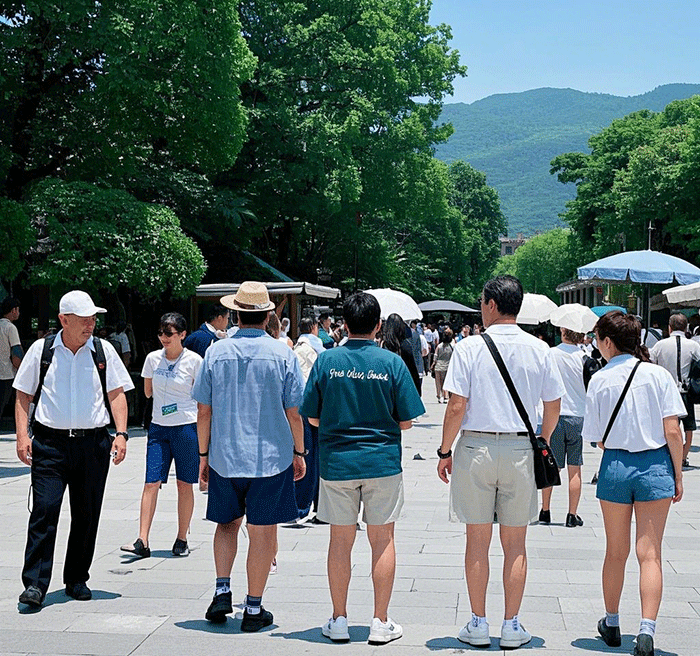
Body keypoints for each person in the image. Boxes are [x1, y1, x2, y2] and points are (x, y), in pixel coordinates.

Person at [437, 276, 564, 649]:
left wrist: (445, 451)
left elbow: (457, 405)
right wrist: (542, 436)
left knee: (477, 541)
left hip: (476, 447)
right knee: (516, 543)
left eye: (481, 301)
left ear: (491, 304)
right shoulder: (540, 348)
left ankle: (478, 623)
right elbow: (553, 405)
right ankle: (511, 625)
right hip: (521, 449)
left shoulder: (470, 347)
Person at [301, 292, 424, 645]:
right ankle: (380, 621)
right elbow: (407, 421)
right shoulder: (391, 363)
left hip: (337, 462)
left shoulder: (327, 362)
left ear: (343, 324)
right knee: (382, 540)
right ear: (378, 325)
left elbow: (310, 415)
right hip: (381, 461)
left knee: (340, 541)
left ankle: (339, 619)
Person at [192, 281, 306, 631]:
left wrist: (203, 455)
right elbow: (294, 412)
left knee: (227, 525)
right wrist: (299, 451)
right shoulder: (283, 353)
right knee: (262, 530)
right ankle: (253, 609)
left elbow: (203, 410)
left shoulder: (215, 352)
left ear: (235, 314)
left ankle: (222, 590)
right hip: (270, 458)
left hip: (225, 455)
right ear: (268, 315)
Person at [13, 290, 133, 608]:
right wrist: (22, 437)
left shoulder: (102, 350)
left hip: (93, 444)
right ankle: (35, 585)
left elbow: (117, 393)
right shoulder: (42, 351)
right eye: (84, 319)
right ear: (64, 320)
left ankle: (77, 578)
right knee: (44, 511)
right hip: (50, 444)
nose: (91, 324)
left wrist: (120, 433)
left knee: (86, 513)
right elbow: (23, 395)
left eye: (94, 318)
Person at [585, 311, 684, 656]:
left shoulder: (599, 379)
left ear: (608, 342)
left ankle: (611, 622)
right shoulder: (658, 376)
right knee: (650, 553)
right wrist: (678, 474)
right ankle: (646, 631)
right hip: (655, 464)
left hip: (615, 465)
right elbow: (673, 430)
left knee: (615, 551)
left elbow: (596, 438)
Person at [121, 313, 202, 559]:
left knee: (184, 483)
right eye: (161, 333)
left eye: (170, 333)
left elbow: (201, 398)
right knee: (150, 482)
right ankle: (142, 540)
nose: (164, 338)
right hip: (158, 427)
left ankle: (181, 537)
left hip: (186, 426)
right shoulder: (152, 359)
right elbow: (147, 392)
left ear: (182, 335)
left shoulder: (194, 361)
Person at [539, 327, 599, 527]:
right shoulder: (585, 357)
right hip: (578, 416)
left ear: (563, 332)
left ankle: (545, 510)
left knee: (551, 465)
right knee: (575, 468)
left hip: (555, 415)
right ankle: (572, 515)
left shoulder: (551, 353)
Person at [648, 313, 700, 468]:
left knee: (668, 425)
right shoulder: (694, 345)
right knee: (689, 426)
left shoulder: (660, 345)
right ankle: (683, 456)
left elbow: (651, 362)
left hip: (665, 391)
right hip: (686, 391)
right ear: (686, 328)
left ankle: (670, 455)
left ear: (669, 328)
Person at [293, 317, 321, 521]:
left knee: (304, 455)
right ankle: (318, 503)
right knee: (315, 458)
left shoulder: (294, 348)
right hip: (317, 408)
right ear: (314, 328)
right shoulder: (318, 348)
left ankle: (301, 504)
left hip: (299, 408)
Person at [381, 314, 420, 392]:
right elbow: (412, 369)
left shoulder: (384, 345)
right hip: (402, 386)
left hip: (386, 386)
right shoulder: (405, 345)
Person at [1, 297, 23, 424]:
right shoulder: (10, 328)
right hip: (6, 374)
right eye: (18, 310)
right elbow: (16, 353)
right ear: (14, 310)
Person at [432, 328, 454, 403]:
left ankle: (440, 396)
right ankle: (446, 396)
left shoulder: (439, 346)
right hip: (448, 366)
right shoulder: (452, 346)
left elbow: (435, 356)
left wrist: (433, 364)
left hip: (438, 366)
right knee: (446, 382)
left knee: (438, 382)